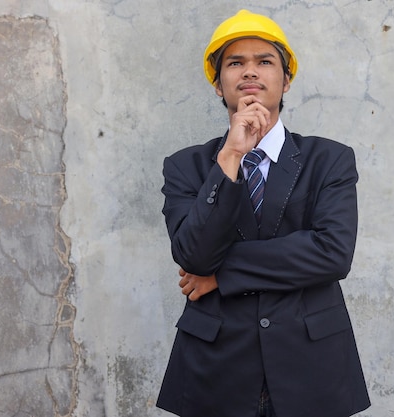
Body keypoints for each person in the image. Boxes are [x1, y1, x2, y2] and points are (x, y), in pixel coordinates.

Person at [157, 9, 371, 417]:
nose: (249, 71)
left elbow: (331, 253)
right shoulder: (187, 166)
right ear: (219, 85)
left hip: (310, 366)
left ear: (286, 79)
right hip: (216, 367)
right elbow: (193, 256)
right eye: (235, 63)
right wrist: (232, 156)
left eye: (264, 61)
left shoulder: (329, 160)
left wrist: (221, 274)